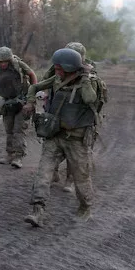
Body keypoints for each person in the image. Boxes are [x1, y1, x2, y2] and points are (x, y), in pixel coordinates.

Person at [22, 48, 102, 227]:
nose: (56, 71)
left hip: (76, 139)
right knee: (43, 173)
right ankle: (38, 210)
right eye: (55, 68)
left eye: (59, 68)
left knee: (81, 176)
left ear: (70, 67)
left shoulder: (87, 81)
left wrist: (85, 79)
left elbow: (90, 99)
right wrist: (29, 101)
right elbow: (35, 86)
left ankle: (85, 207)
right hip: (55, 135)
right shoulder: (57, 78)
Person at [44, 42, 96, 192]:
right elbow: (46, 81)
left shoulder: (88, 72)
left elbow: (92, 96)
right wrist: (46, 97)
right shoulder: (57, 67)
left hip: (77, 117)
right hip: (56, 111)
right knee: (51, 143)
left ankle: (70, 180)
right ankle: (52, 174)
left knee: (74, 149)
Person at [0, 46, 37, 168]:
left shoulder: (19, 65)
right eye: (0, 62)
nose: (2, 64)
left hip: (21, 101)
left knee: (19, 130)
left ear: (9, 60)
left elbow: (32, 74)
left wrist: (33, 93)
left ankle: (18, 156)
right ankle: (9, 154)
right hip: (6, 102)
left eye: (4, 61)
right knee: (9, 130)